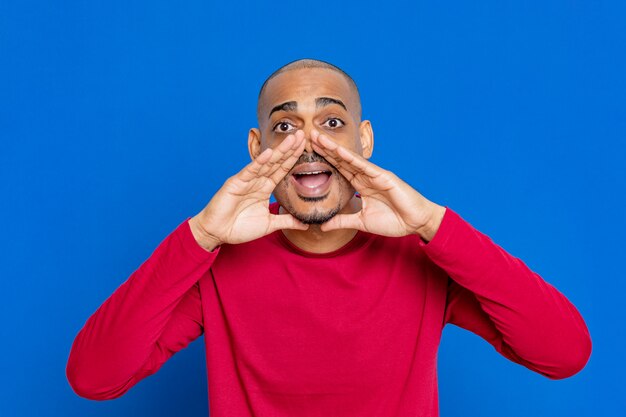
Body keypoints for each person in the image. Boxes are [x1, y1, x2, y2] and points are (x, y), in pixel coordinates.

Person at [66, 58, 592, 416]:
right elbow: (94, 377)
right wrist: (200, 236)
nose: (311, 144)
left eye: (333, 122)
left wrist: (434, 225)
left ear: (364, 140)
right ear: (257, 147)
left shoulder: (423, 254)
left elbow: (563, 352)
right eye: (287, 127)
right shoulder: (217, 262)